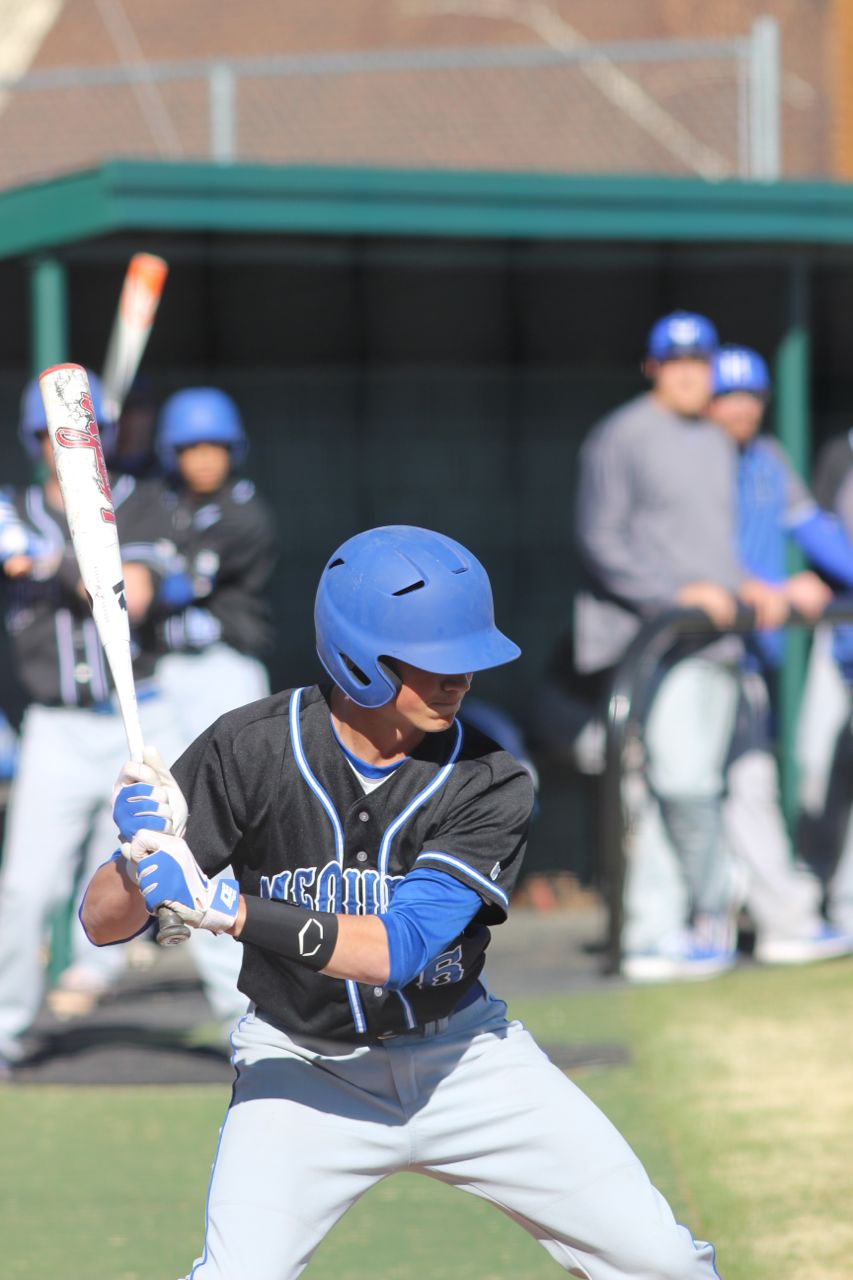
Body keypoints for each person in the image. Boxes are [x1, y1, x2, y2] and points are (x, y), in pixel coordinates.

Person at [81, 525, 722, 1280]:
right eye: (434, 662)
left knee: (665, 1264)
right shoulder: (250, 748)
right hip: (301, 1069)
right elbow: (100, 921)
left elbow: (398, 950)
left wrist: (227, 909)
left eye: (468, 661)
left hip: (463, 1062)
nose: (459, 681)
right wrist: (138, 858)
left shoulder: (490, 779)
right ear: (359, 658)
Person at [574, 310, 784, 982]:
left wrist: (744, 584)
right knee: (649, 788)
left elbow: (712, 548)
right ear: (653, 367)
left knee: (686, 783)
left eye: (700, 360)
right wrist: (675, 594)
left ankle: (700, 913)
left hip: (708, 645)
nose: (690, 373)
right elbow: (600, 541)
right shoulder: (622, 434)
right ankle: (658, 927)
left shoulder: (718, 443)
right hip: (643, 642)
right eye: (676, 361)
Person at [60, 385, 275, 1034]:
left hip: (224, 674)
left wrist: (138, 559)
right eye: (188, 447)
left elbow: (172, 585)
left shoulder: (245, 514)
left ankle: (246, 991)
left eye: (214, 447)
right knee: (142, 807)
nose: (202, 458)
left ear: (234, 450)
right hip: (166, 678)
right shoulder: (159, 499)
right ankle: (101, 957)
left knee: (230, 825)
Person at [0, 372, 184, 1074]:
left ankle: (253, 1023)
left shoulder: (140, 503)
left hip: (140, 718)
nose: (64, 445)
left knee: (189, 861)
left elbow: (132, 594)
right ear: (34, 441)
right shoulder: (13, 506)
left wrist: (61, 558)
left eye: (76, 434)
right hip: (56, 726)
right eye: (50, 435)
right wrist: (46, 555)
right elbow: (14, 550)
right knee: (27, 887)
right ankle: (5, 1031)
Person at [705, 344, 852, 963]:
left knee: (749, 782)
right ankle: (694, 923)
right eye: (728, 396)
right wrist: (767, 585)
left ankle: (773, 919)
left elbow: (813, 527)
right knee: (687, 790)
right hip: (694, 645)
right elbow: (690, 546)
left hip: (748, 652)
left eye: (752, 396)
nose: (742, 408)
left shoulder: (767, 456)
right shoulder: (695, 459)